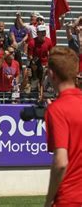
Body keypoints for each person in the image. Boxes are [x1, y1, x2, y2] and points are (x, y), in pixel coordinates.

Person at [44, 47, 82, 207]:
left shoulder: (57, 109)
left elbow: (61, 162)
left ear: (52, 74)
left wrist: (48, 200)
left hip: (69, 199)